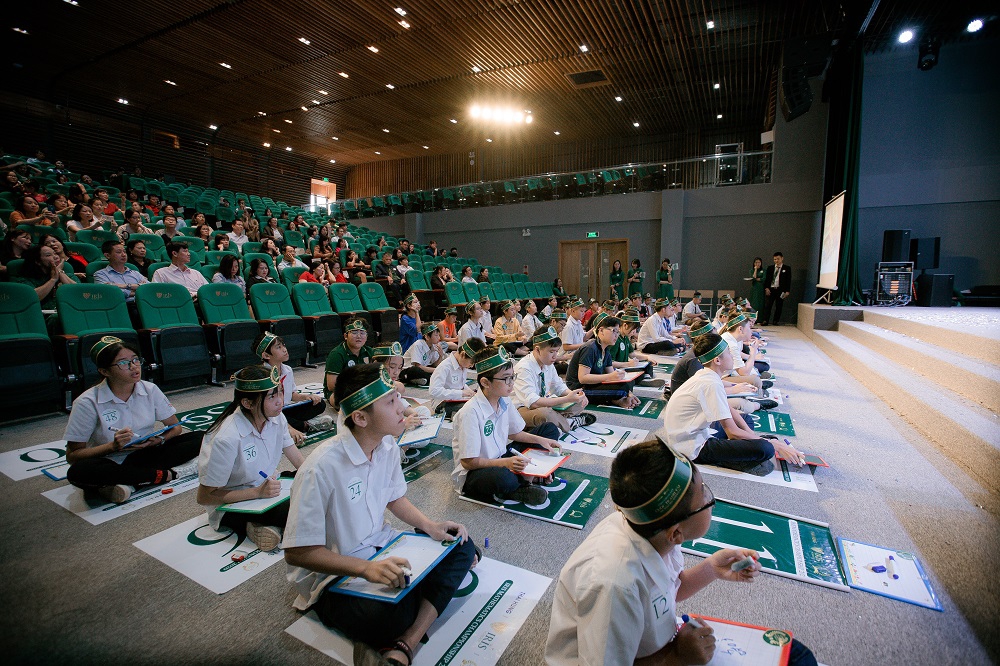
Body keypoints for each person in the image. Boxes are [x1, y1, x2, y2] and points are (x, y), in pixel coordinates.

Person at [546, 440, 820, 666]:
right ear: (676, 532)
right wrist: (677, 658)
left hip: (657, 647)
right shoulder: (614, 585)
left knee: (792, 653)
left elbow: (665, 592)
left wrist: (711, 568)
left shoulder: (648, 528)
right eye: (704, 496)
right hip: (652, 658)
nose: (710, 501)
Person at [283, 364, 477, 666]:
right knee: (387, 615)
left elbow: (393, 496)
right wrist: (365, 569)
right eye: (390, 402)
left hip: (382, 548)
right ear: (360, 418)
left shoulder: (386, 444)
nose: (403, 407)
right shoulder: (321, 467)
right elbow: (298, 553)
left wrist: (429, 525)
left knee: (460, 546)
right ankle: (408, 633)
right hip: (337, 575)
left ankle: (405, 640)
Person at [63, 337, 204, 504]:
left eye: (136, 360)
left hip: (146, 454)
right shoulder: (87, 402)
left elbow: (175, 427)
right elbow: (73, 455)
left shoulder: (150, 389)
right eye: (123, 363)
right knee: (79, 472)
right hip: (110, 460)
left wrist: (159, 439)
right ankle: (169, 474)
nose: (134, 367)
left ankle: (129, 485)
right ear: (105, 371)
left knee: (203, 436)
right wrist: (112, 446)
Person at [196, 364, 305, 551]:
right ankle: (251, 525)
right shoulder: (227, 437)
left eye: (280, 392)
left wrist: (315, 476)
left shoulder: (276, 418)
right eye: (272, 396)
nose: (280, 400)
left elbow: (296, 458)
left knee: (317, 486)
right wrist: (256, 493)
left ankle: (263, 527)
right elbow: (205, 496)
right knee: (305, 510)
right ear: (247, 403)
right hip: (236, 501)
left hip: (269, 486)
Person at [661, 332, 803, 473]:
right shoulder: (711, 383)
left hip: (699, 432)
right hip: (691, 447)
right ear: (717, 360)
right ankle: (734, 458)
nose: (732, 355)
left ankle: (743, 450)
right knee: (766, 449)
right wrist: (771, 444)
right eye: (728, 352)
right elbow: (732, 432)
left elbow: (728, 409)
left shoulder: (709, 376)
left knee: (746, 419)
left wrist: (758, 439)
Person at [451, 346, 562, 505]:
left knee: (548, 430)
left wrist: (540, 440)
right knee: (503, 478)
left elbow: (515, 433)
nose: (511, 384)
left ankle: (527, 477)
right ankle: (522, 483)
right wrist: (506, 463)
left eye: (512, 377)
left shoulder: (504, 399)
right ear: (485, 382)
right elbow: (468, 462)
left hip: (501, 458)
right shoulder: (470, 412)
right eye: (506, 379)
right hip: (477, 472)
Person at [512, 327, 593, 432]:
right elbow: (533, 403)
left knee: (578, 403)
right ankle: (569, 422)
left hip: (543, 403)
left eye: (556, 351)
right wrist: (567, 399)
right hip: (521, 409)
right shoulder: (524, 367)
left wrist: (574, 395)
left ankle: (556, 423)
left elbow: (558, 386)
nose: (555, 356)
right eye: (551, 351)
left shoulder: (547, 363)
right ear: (537, 349)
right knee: (545, 414)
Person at [254, 331, 330, 437]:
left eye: (283, 345)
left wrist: (307, 396)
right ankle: (304, 426)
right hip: (271, 413)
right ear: (266, 355)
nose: (284, 349)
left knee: (319, 404)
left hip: (285, 409)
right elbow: (263, 409)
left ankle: (290, 425)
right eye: (278, 347)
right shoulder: (263, 376)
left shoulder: (287, 370)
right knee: (273, 419)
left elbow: (293, 395)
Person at [566, 315, 640, 409]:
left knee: (626, 385)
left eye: (617, 332)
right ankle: (618, 400)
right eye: (614, 331)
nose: (616, 335)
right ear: (601, 331)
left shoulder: (606, 350)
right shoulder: (590, 348)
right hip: (579, 388)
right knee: (621, 390)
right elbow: (583, 378)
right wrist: (610, 377)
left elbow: (611, 374)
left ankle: (621, 399)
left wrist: (630, 394)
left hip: (593, 385)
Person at [93, 240, 147, 323]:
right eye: (119, 252)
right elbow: (111, 293)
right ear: (107, 255)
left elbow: (149, 288)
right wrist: (137, 288)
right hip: (121, 307)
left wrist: (124, 286)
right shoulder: (100, 274)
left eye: (124, 251)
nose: (123, 255)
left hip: (143, 304)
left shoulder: (135, 273)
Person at [429, 338, 484, 418]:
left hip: (457, 399)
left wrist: (469, 391)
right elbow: (434, 391)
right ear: (462, 354)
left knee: (480, 404)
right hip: (441, 403)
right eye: (471, 363)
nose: (471, 366)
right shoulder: (445, 367)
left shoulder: (462, 364)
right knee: (471, 410)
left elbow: (459, 384)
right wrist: (461, 393)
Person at [323, 318, 373, 407]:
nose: (359, 336)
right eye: (354, 332)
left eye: (362, 333)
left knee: (398, 387)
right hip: (341, 390)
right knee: (340, 400)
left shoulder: (369, 352)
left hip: (364, 388)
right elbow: (331, 385)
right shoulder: (337, 354)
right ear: (346, 336)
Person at [15, 243, 76, 310]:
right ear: (37, 261)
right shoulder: (25, 279)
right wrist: (53, 279)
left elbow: (79, 294)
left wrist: (59, 272)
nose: (55, 257)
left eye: (55, 253)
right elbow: (31, 297)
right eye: (48, 255)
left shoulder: (69, 275)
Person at [761, 252, 791, 325]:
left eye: (778, 259)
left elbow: (788, 280)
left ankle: (775, 320)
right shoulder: (770, 268)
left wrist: (787, 291)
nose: (776, 261)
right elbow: (767, 279)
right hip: (771, 289)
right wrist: (766, 288)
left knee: (779, 306)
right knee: (768, 305)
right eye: (775, 259)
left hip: (780, 290)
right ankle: (765, 320)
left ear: (782, 258)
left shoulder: (786, 268)